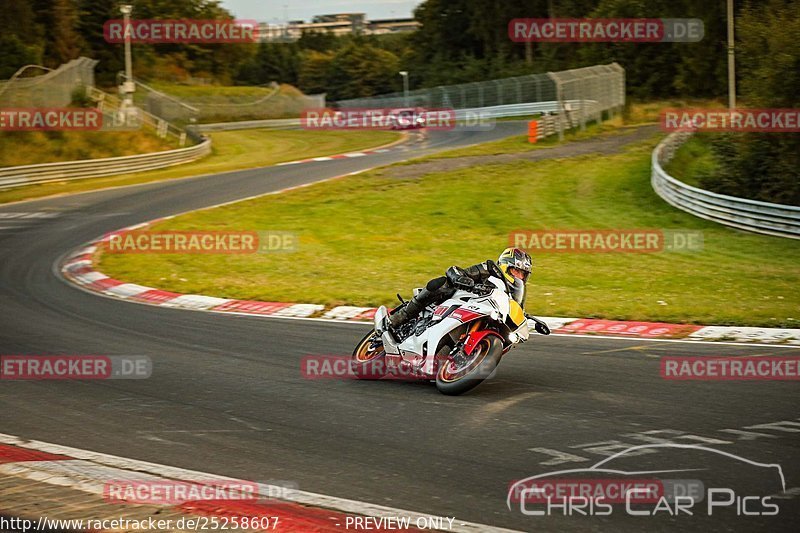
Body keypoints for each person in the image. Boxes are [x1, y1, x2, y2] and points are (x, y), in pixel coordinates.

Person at [385, 247, 551, 335]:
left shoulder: (516, 293)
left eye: (523, 274)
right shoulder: (490, 269)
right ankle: (401, 316)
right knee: (442, 284)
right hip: (463, 299)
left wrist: (530, 320)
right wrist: (464, 281)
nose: (519, 276)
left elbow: (517, 310)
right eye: (516, 271)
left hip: (486, 314)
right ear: (505, 265)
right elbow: (456, 270)